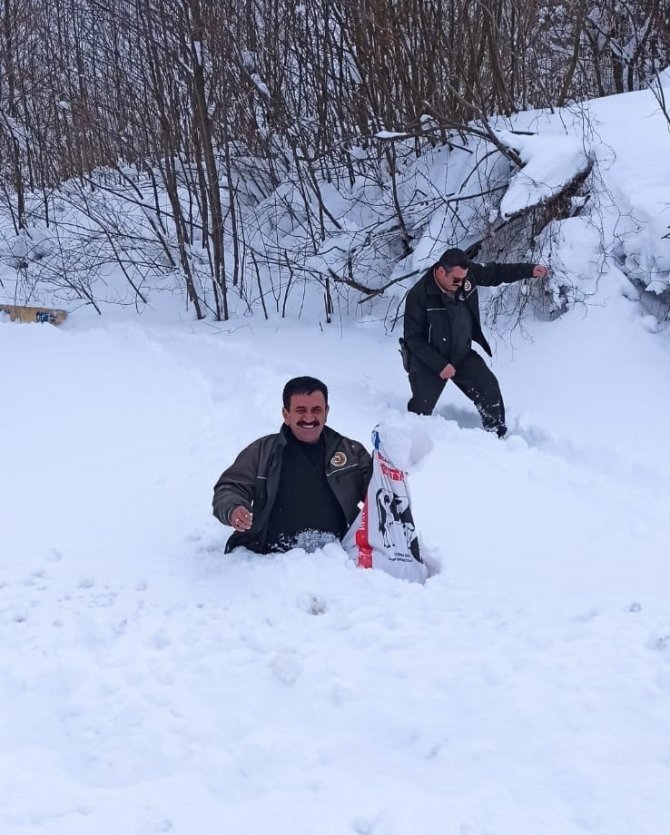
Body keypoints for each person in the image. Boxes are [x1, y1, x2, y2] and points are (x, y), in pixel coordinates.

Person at [213, 376, 372, 554]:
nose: (309, 417)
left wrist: (393, 461)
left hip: (334, 558)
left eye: (317, 410)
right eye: (300, 410)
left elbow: (379, 490)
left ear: (326, 413)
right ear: (286, 414)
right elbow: (229, 487)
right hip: (273, 560)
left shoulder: (350, 452)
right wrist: (234, 508)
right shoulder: (263, 451)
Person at [402, 247, 549, 436]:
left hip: (461, 353)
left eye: (464, 278)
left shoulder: (466, 275)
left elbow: (497, 272)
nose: (462, 283)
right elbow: (413, 339)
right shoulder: (419, 295)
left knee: (489, 388)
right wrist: (440, 365)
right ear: (440, 272)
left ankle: (496, 434)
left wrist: (529, 270)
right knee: (419, 412)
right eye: (456, 280)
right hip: (430, 361)